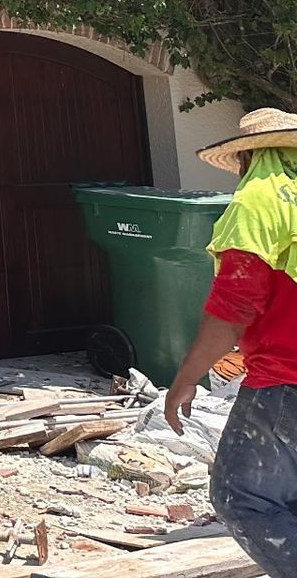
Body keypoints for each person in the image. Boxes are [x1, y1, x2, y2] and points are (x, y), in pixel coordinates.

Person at [165, 107, 297, 577]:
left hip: (285, 381)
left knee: (242, 495)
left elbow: (234, 306)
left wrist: (185, 378)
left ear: (246, 159)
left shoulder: (261, 202)